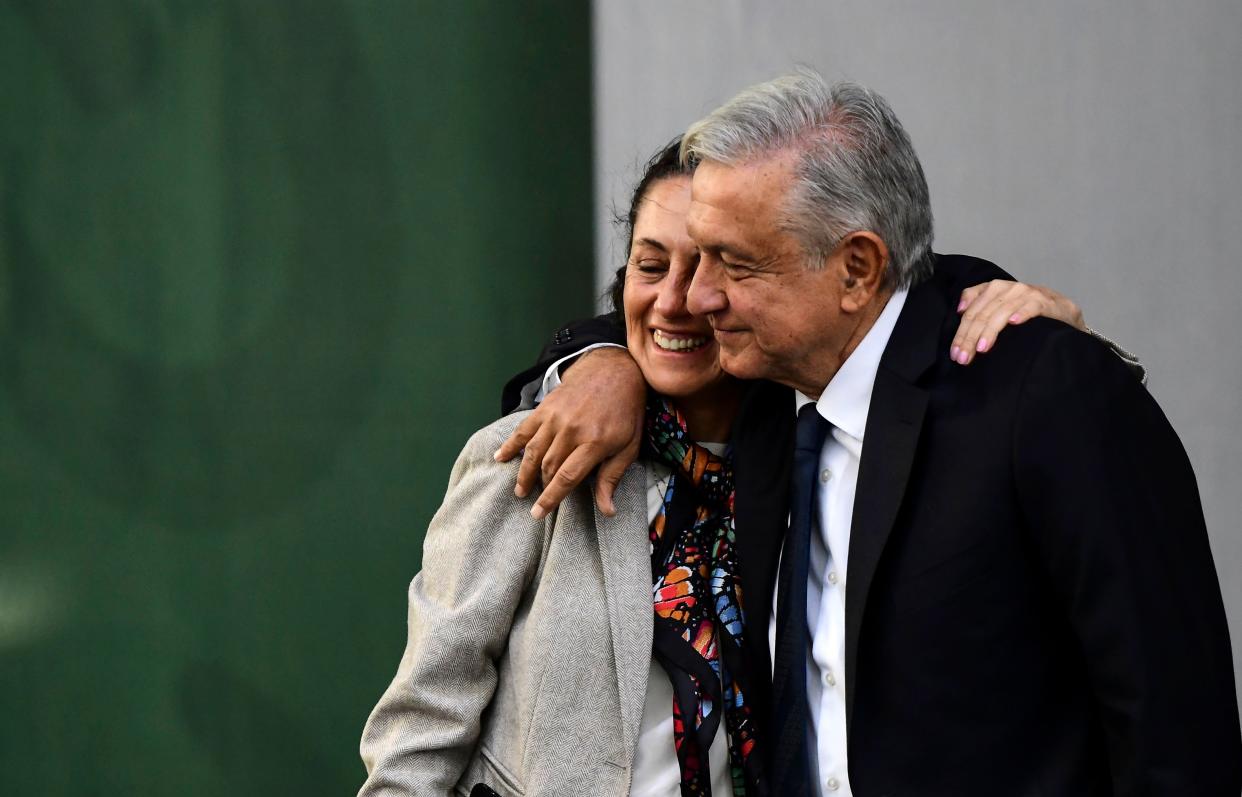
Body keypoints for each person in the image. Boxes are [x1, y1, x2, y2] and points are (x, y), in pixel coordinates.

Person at [495, 73, 1241, 796]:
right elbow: (654, 325)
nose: (698, 296)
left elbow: (1178, 735)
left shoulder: (1043, 395)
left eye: (735, 263)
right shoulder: (761, 385)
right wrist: (602, 362)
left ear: (856, 269)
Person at [357, 136, 1099, 796]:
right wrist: (598, 359)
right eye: (652, 265)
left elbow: (883, 293)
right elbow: (420, 728)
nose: (682, 301)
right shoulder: (543, 446)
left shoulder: (817, 461)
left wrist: (1005, 303)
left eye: (717, 266)